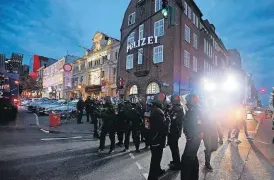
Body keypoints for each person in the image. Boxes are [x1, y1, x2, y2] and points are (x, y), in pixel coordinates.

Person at [180, 93, 203, 180]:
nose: (186, 102)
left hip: (193, 138)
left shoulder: (194, 110)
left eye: (187, 100)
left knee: (186, 160)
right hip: (193, 138)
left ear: (191, 100)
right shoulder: (193, 109)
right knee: (193, 158)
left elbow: (198, 124)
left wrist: (192, 136)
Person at [148, 93, 169, 180]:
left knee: (155, 157)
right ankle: (152, 177)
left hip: (151, 137)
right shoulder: (159, 112)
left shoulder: (150, 109)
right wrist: (167, 121)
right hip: (157, 139)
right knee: (156, 159)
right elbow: (163, 128)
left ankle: (158, 170)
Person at [168, 95, 185, 170]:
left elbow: (174, 119)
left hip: (175, 130)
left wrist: (169, 116)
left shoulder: (178, 108)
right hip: (174, 130)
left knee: (174, 147)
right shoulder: (176, 107)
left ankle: (177, 164)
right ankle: (175, 161)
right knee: (173, 146)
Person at [203, 97, 219, 171]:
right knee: (209, 147)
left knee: (215, 147)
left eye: (212, 102)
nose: (211, 103)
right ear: (208, 102)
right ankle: (207, 163)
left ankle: (207, 152)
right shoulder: (205, 110)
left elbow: (217, 120)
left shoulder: (215, 109)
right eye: (210, 102)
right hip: (207, 132)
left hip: (213, 131)